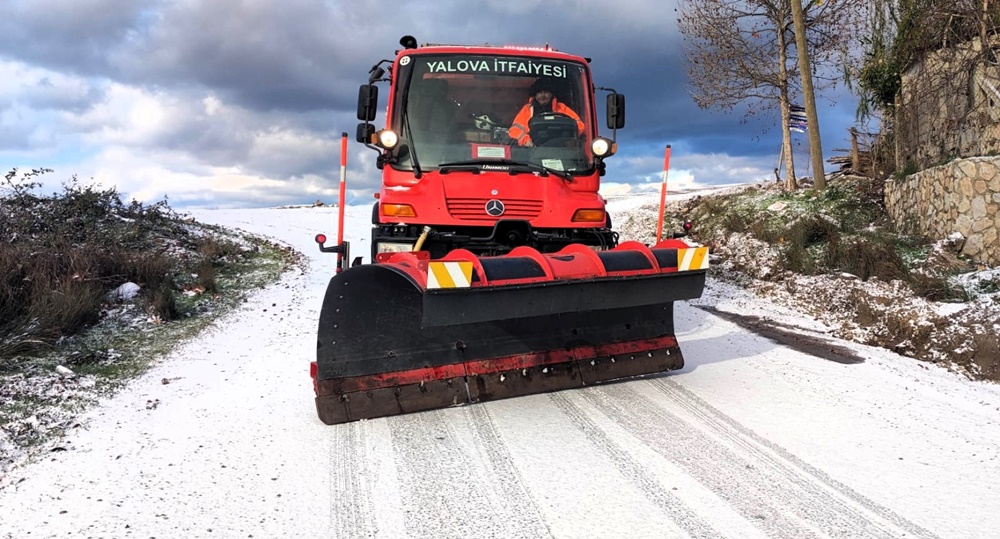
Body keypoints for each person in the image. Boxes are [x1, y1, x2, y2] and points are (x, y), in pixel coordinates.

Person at [508, 78, 584, 147]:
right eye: (540, 92)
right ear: (535, 94)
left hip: (560, 148)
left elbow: (579, 125)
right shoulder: (527, 109)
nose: (543, 95)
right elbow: (514, 130)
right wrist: (526, 140)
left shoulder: (561, 108)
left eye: (546, 92)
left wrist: (568, 137)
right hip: (532, 150)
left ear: (551, 94)